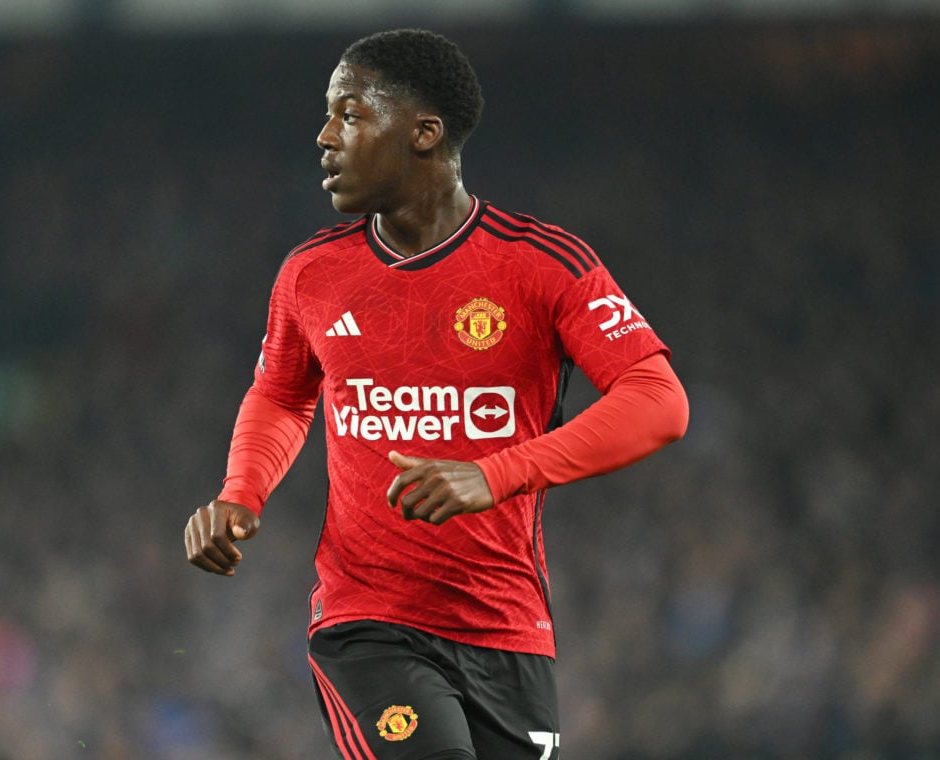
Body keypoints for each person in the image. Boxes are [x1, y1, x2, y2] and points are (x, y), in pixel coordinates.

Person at [185, 28, 689, 760]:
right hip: (367, 621)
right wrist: (241, 492)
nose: (325, 136)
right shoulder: (312, 275)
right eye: (329, 115)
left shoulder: (542, 265)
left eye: (350, 114)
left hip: (509, 630)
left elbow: (659, 401)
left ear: (424, 133)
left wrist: (496, 472)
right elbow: (283, 392)